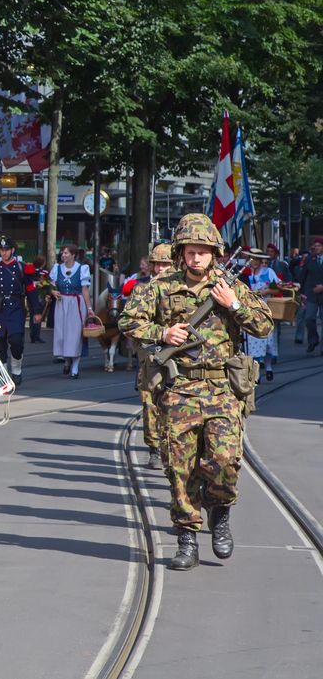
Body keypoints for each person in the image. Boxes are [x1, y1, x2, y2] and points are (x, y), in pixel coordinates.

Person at [119, 213, 273, 570]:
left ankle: (220, 514)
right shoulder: (160, 286)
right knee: (180, 469)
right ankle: (186, 538)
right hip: (180, 389)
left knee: (224, 461)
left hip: (221, 389)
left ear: (215, 253)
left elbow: (264, 325)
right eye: (190, 251)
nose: (197, 258)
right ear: (181, 252)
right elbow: (128, 320)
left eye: (203, 251)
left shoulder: (228, 286)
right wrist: (162, 334)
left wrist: (233, 303)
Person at [121, 243, 173, 470]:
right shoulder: (141, 287)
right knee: (150, 402)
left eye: (166, 264)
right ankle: (154, 448)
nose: (161, 268)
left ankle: (172, 448)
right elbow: (127, 322)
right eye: (158, 264)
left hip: (179, 352)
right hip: (150, 351)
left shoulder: (182, 287)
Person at [0, 236, 41, 386]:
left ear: (13, 250)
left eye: (7, 250)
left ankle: (16, 369)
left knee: (16, 342)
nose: (4, 253)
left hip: (15, 308)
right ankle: (4, 377)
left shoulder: (22, 268)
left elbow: (30, 290)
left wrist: (36, 311)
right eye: (2, 250)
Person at [50, 244, 94, 378]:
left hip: (76, 303)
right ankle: (67, 361)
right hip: (62, 303)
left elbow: (85, 290)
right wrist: (52, 291)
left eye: (66, 253)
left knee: (74, 336)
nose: (63, 255)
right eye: (62, 253)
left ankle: (75, 367)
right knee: (62, 334)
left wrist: (89, 308)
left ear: (73, 255)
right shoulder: (57, 268)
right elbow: (51, 284)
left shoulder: (82, 269)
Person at [240, 252, 280, 380]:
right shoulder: (244, 273)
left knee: (268, 341)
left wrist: (267, 291)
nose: (255, 262)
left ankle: (268, 367)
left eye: (257, 259)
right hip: (251, 309)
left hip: (266, 308)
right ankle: (256, 373)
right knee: (253, 342)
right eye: (252, 259)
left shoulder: (268, 272)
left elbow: (279, 288)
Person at [297, 238, 323, 353]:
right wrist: (300, 292)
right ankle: (313, 340)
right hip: (311, 294)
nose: (316, 248)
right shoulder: (309, 259)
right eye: (315, 245)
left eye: (319, 246)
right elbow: (303, 276)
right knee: (309, 318)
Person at [29, 255, 47, 343]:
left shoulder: (30, 272)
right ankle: (37, 336)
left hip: (30, 296)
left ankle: (32, 335)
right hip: (40, 295)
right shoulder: (44, 273)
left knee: (32, 315)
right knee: (39, 315)